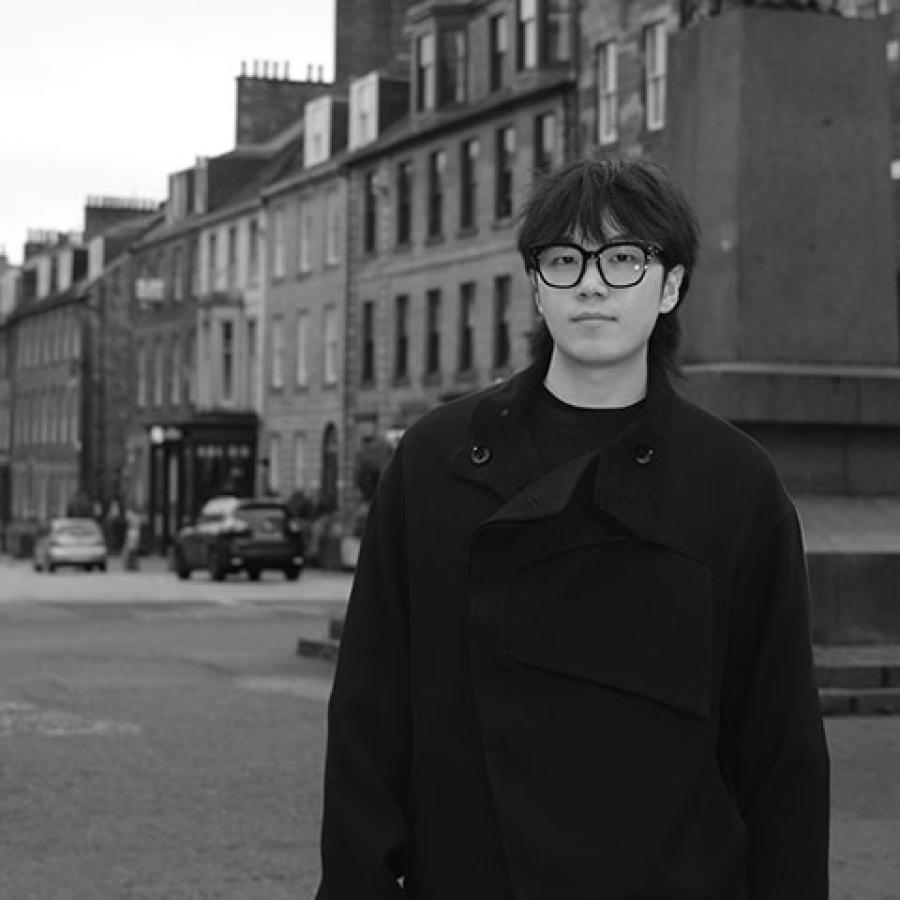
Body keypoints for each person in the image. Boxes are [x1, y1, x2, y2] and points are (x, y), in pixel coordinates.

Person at [316, 155, 829, 899]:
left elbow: (780, 749)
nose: (591, 282)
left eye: (624, 258)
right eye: (564, 259)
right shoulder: (436, 462)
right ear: (535, 287)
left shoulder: (735, 483)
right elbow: (368, 709)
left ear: (672, 286)